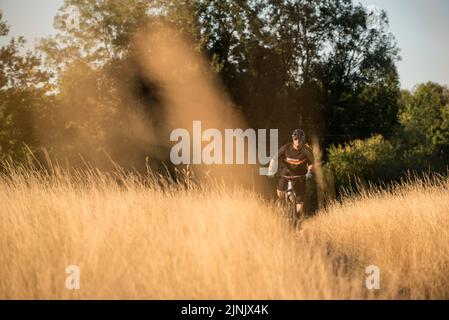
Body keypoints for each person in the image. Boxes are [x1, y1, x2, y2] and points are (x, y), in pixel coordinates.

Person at [268, 129, 314, 217]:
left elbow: (312, 164)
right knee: (280, 194)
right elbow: (274, 159)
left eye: (300, 139)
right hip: (285, 175)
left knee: (299, 206)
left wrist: (310, 171)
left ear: (303, 140)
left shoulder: (307, 150)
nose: (298, 141)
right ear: (293, 139)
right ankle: (279, 211)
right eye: (296, 139)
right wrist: (271, 171)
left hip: (300, 177)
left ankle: (295, 222)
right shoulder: (286, 147)